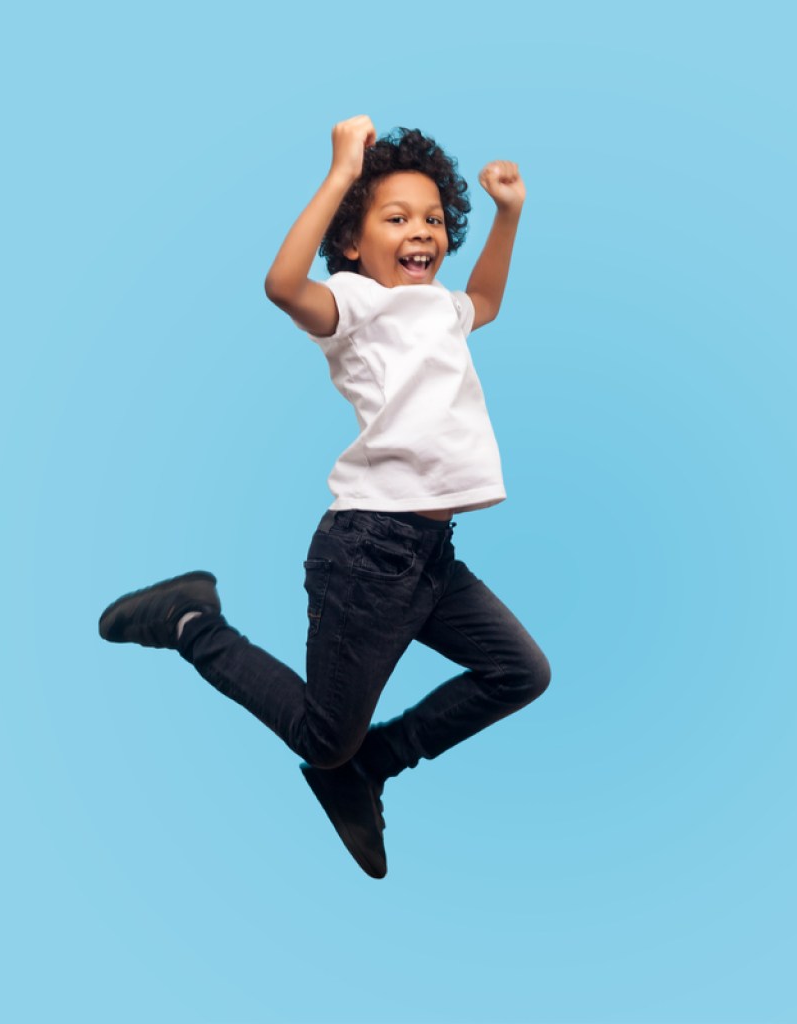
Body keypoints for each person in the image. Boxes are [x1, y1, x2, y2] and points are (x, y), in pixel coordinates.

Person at [98, 115, 550, 878]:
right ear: (352, 241)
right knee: (320, 738)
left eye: (434, 219)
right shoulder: (355, 307)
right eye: (397, 218)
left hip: (429, 558)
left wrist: (508, 213)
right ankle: (188, 620)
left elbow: (489, 300)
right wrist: (342, 172)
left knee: (520, 673)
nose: (422, 233)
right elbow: (281, 286)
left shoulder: (441, 308)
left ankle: (373, 765)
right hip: (367, 554)